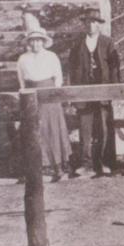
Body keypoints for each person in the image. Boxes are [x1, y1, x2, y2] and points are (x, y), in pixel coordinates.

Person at [68, 9, 119, 176]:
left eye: (95, 22)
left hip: (103, 91)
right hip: (83, 92)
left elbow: (114, 68)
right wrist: (74, 93)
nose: (91, 25)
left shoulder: (107, 42)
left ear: (99, 25)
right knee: (85, 129)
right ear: (85, 24)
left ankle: (105, 162)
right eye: (88, 22)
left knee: (104, 128)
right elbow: (72, 69)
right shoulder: (77, 44)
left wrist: (113, 90)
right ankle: (86, 163)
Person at [17, 29, 71, 182]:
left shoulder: (51, 56)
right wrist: (24, 93)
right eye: (32, 41)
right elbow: (21, 79)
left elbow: (58, 77)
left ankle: (58, 167)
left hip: (49, 94)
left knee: (52, 128)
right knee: (36, 129)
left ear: (43, 42)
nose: (35, 43)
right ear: (29, 43)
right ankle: (39, 169)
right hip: (32, 95)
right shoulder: (23, 59)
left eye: (38, 40)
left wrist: (55, 93)